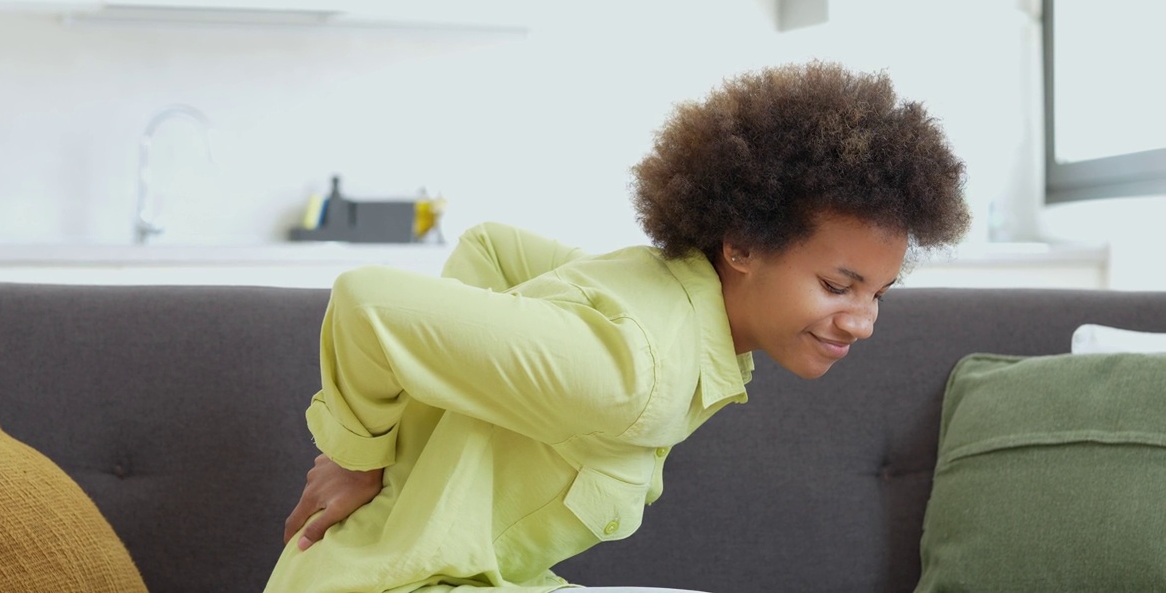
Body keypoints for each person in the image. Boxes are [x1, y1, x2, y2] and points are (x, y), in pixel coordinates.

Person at [263, 61, 971, 593]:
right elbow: (366, 302)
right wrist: (362, 455)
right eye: (837, 286)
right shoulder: (633, 371)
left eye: (879, 293)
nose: (863, 321)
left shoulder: (660, 299)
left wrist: (444, 410)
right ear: (743, 245)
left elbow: (489, 246)